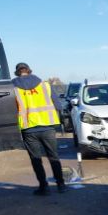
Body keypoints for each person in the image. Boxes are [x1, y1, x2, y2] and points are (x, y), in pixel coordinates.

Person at [12, 62, 66, 195]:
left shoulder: (13, 87)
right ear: (29, 71)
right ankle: (61, 185)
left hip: (28, 129)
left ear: (17, 72)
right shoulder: (45, 85)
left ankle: (44, 187)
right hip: (47, 126)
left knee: (36, 159)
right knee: (54, 157)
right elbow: (58, 104)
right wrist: (63, 120)